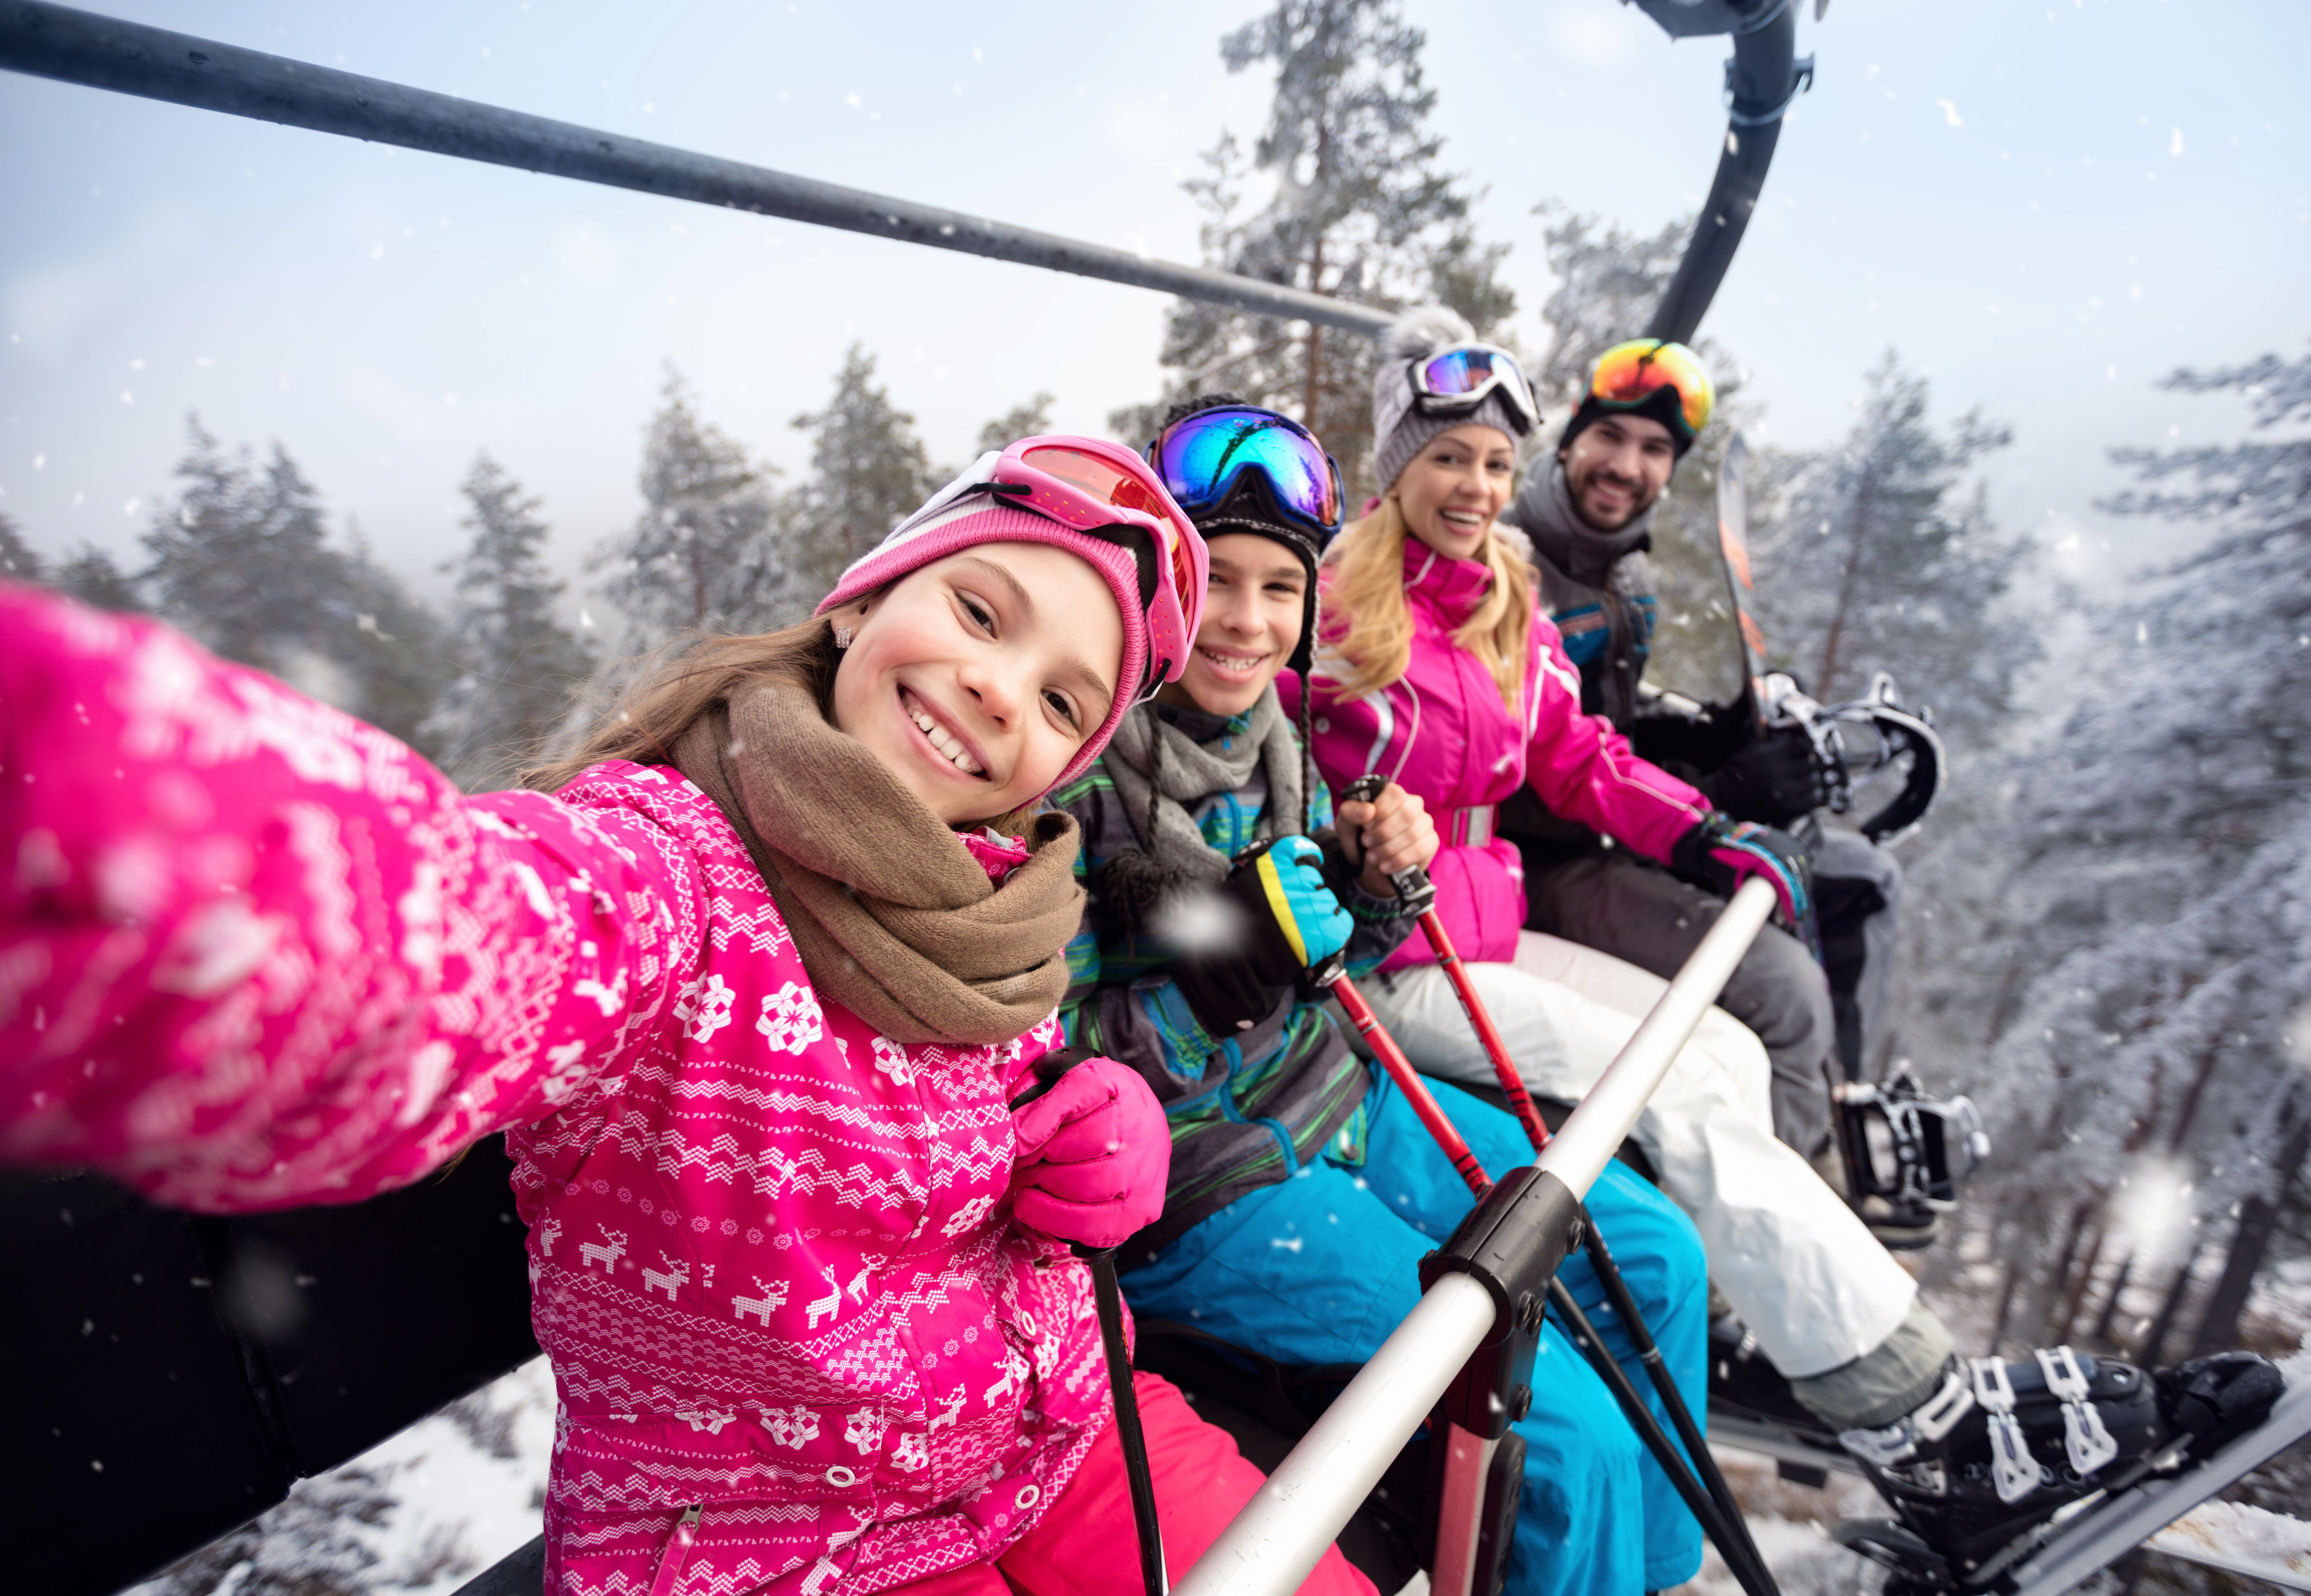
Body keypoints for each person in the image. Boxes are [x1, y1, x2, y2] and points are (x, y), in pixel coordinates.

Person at [0, 437, 1377, 1596]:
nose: (999, 688)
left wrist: (1094, 1122)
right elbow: (448, 946)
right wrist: (142, 834)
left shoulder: (998, 901)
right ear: (862, 599)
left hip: (1066, 1426)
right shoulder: (669, 871)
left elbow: (991, 1110)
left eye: (1063, 699)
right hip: (784, 1542)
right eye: (978, 613)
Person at [1048, 397, 1713, 1596]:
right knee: (1567, 1435)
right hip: (1205, 1176)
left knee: (1656, 1255)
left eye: (1279, 590)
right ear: (1155, 589)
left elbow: (1321, 961)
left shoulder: (1272, 737)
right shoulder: (1077, 768)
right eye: (1217, 583)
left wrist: (1370, 888)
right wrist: (1215, 982)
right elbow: (1041, 1065)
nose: (1248, 624)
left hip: (1335, 1095)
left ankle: (1646, 1577)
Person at [1299, 306, 1965, 1456]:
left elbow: (1581, 757)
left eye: (1498, 464)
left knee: (1730, 1049)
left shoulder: (1505, 599)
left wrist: (1706, 834)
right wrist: (1345, 846)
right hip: (1387, 950)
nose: (1475, 487)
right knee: (1678, 1084)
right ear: (1402, 462)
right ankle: (1899, 1389)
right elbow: (1265, 757)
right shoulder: (1334, 605)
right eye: (1449, 456)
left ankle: (1761, 1291)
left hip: (1485, 921)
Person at [1498, 337, 1902, 1174]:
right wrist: (1714, 791)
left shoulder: (1623, 576)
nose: (1626, 466)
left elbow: (1601, 719)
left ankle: (1833, 1110)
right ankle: (1775, 1210)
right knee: (1787, 992)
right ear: (1570, 439)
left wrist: (1707, 734)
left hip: (1604, 828)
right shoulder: (1513, 569)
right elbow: (1521, 769)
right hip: (1536, 861)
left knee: (1855, 877)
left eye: (1654, 451)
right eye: (1609, 438)